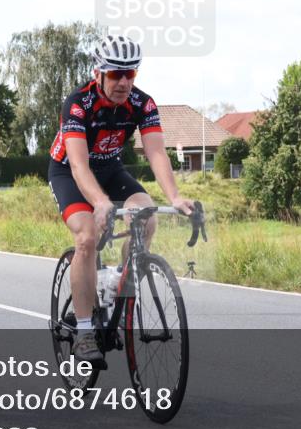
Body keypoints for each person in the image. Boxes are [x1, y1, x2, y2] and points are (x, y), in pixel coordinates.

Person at [48, 35, 195, 365]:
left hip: (111, 169)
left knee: (147, 216)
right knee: (86, 238)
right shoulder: (78, 103)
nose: (124, 82)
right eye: (116, 74)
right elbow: (78, 164)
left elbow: (157, 153)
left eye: (131, 74)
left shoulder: (143, 104)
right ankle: (85, 332)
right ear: (98, 73)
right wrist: (99, 202)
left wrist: (175, 196)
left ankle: (117, 280)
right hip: (69, 172)